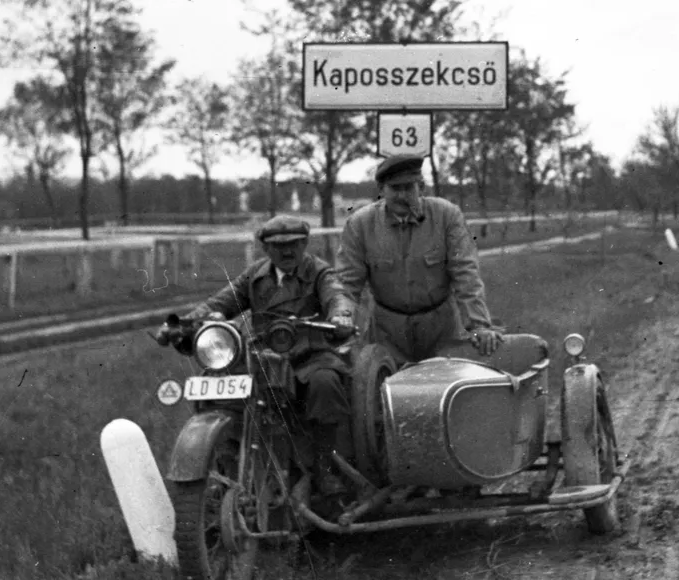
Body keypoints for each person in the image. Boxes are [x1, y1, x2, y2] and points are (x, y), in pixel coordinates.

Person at [186, 215, 356, 491]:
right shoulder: (255, 276)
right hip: (264, 357)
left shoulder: (320, 272)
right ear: (265, 248)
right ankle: (224, 465)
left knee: (325, 384)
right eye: (278, 246)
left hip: (310, 355)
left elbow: (337, 295)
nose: (288, 251)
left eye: (294, 244)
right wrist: (187, 322)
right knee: (218, 387)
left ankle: (325, 467)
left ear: (304, 244)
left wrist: (341, 316)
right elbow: (220, 302)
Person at [337, 154, 504, 364]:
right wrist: (342, 317)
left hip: (441, 329)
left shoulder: (447, 216)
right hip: (387, 333)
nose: (402, 195)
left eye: (409, 188)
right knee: (384, 391)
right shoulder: (360, 224)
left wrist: (479, 325)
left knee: (444, 389)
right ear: (381, 190)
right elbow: (347, 283)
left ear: (421, 188)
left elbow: (465, 273)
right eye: (395, 188)